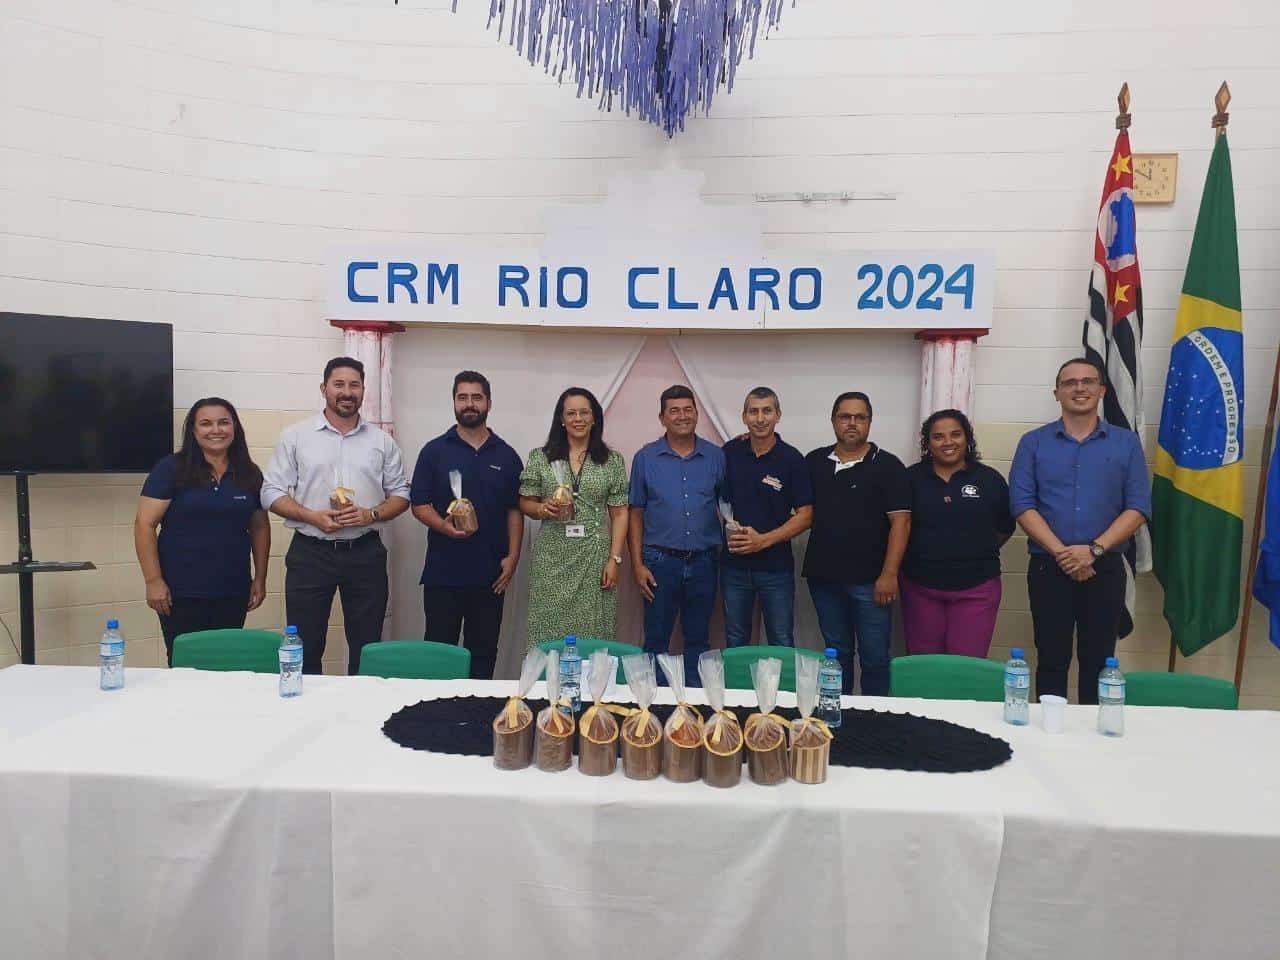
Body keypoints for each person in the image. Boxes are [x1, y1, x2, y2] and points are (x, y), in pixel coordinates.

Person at [1009, 357, 1150, 704]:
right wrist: (1064, 553)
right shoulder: (1033, 443)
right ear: (1056, 393)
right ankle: (1051, 736)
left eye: (1088, 381)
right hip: (1048, 566)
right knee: (1052, 658)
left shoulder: (1126, 443)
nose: (1079, 388)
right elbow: (1022, 506)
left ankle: (1092, 742)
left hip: (1104, 567)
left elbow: (1138, 508)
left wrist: (1092, 551)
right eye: (1070, 383)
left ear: (1102, 390)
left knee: (1099, 660)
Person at [261, 357, 410, 675]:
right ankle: (308, 713)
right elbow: (270, 493)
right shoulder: (296, 436)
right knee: (306, 643)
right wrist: (311, 516)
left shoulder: (382, 442)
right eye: (338, 384)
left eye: (354, 385)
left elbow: (401, 495)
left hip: (364, 553)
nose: (347, 391)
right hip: (310, 553)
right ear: (323, 388)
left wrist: (370, 514)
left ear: (363, 391)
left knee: (367, 645)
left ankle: (362, 716)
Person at [135, 397, 270, 665]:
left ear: (235, 428)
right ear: (194, 431)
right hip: (180, 593)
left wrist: (260, 578)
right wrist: (153, 581)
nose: (216, 430)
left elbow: (259, 526)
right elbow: (144, 524)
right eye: (206, 424)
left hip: (232, 591)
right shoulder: (171, 469)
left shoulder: (249, 473)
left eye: (223, 422)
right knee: (186, 664)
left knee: (226, 662)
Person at [410, 371, 523, 681]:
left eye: (476, 397)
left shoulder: (507, 456)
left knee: (483, 653)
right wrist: (443, 527)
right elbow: (418, 504)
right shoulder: (434, 452)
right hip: (443, 574)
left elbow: (515, 510)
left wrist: (513, 557)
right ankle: (436, 720)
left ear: (488, 402)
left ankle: (477, 718)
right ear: (454, 402)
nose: (469, 404)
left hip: (490, 575)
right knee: (439, 653)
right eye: (463, 397)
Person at [803, 391, 910, 696]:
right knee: (836, 655)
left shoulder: (889, 466)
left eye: (860, 417)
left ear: (870, 422)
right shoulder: (814, 462)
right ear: (833, 421)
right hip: (824, 579)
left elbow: (901, 523)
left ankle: (874, 722)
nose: (852, 423)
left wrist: (889, 574)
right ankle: (840, 718)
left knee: (875, 658)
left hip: (871, 583)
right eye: (845, 416)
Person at [628, 385, 725, 683]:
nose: (682, 416)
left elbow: (728, 506)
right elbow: (635, 513)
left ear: (696, 413)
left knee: (698, 641)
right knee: (656, 640)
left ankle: (694, 712)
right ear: (662, 417)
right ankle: (651, 712)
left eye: (688, 409)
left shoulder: (716, 457)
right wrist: (637, 564)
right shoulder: (645, 457)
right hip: (659, 562)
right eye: (674, 410)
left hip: (705, 563)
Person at [518, 388, 629, 648]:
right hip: (552, 558)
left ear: (594, 418)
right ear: (561, 419)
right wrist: (541, 509)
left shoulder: (612, 460)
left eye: (584, 412)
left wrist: (615, 559)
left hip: (595, 557)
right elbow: (525, 501)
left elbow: (620, 511)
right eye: (571, 413)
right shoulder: (540, 457)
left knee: (594, 632)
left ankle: (593, 687)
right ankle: (547, 686)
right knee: (548, 632)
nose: (578, 418)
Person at [901, 409, 1014, 657]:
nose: (948, 442)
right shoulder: (909, 478)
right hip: (921, 588)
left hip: (977, 589)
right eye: (938, 436)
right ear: (927, 443)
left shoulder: (989, 480)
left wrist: (968, 552)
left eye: (955, 434)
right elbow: (898, 529)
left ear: (967, 438)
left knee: (965, 665)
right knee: (924, 664)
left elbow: (1004, 528)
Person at [720, 387, 813, 647]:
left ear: (778, 415)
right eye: (754, 412)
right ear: (744, 416)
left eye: (767, 411)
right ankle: (739, 690)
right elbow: (713, 498)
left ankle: (779, 690)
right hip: (734, 568)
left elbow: (806, 516)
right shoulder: (729, 453)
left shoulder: (792, 459)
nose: (760, 418)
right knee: (736, 640)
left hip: (776, 570)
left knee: (781, 640)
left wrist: (764, 540)